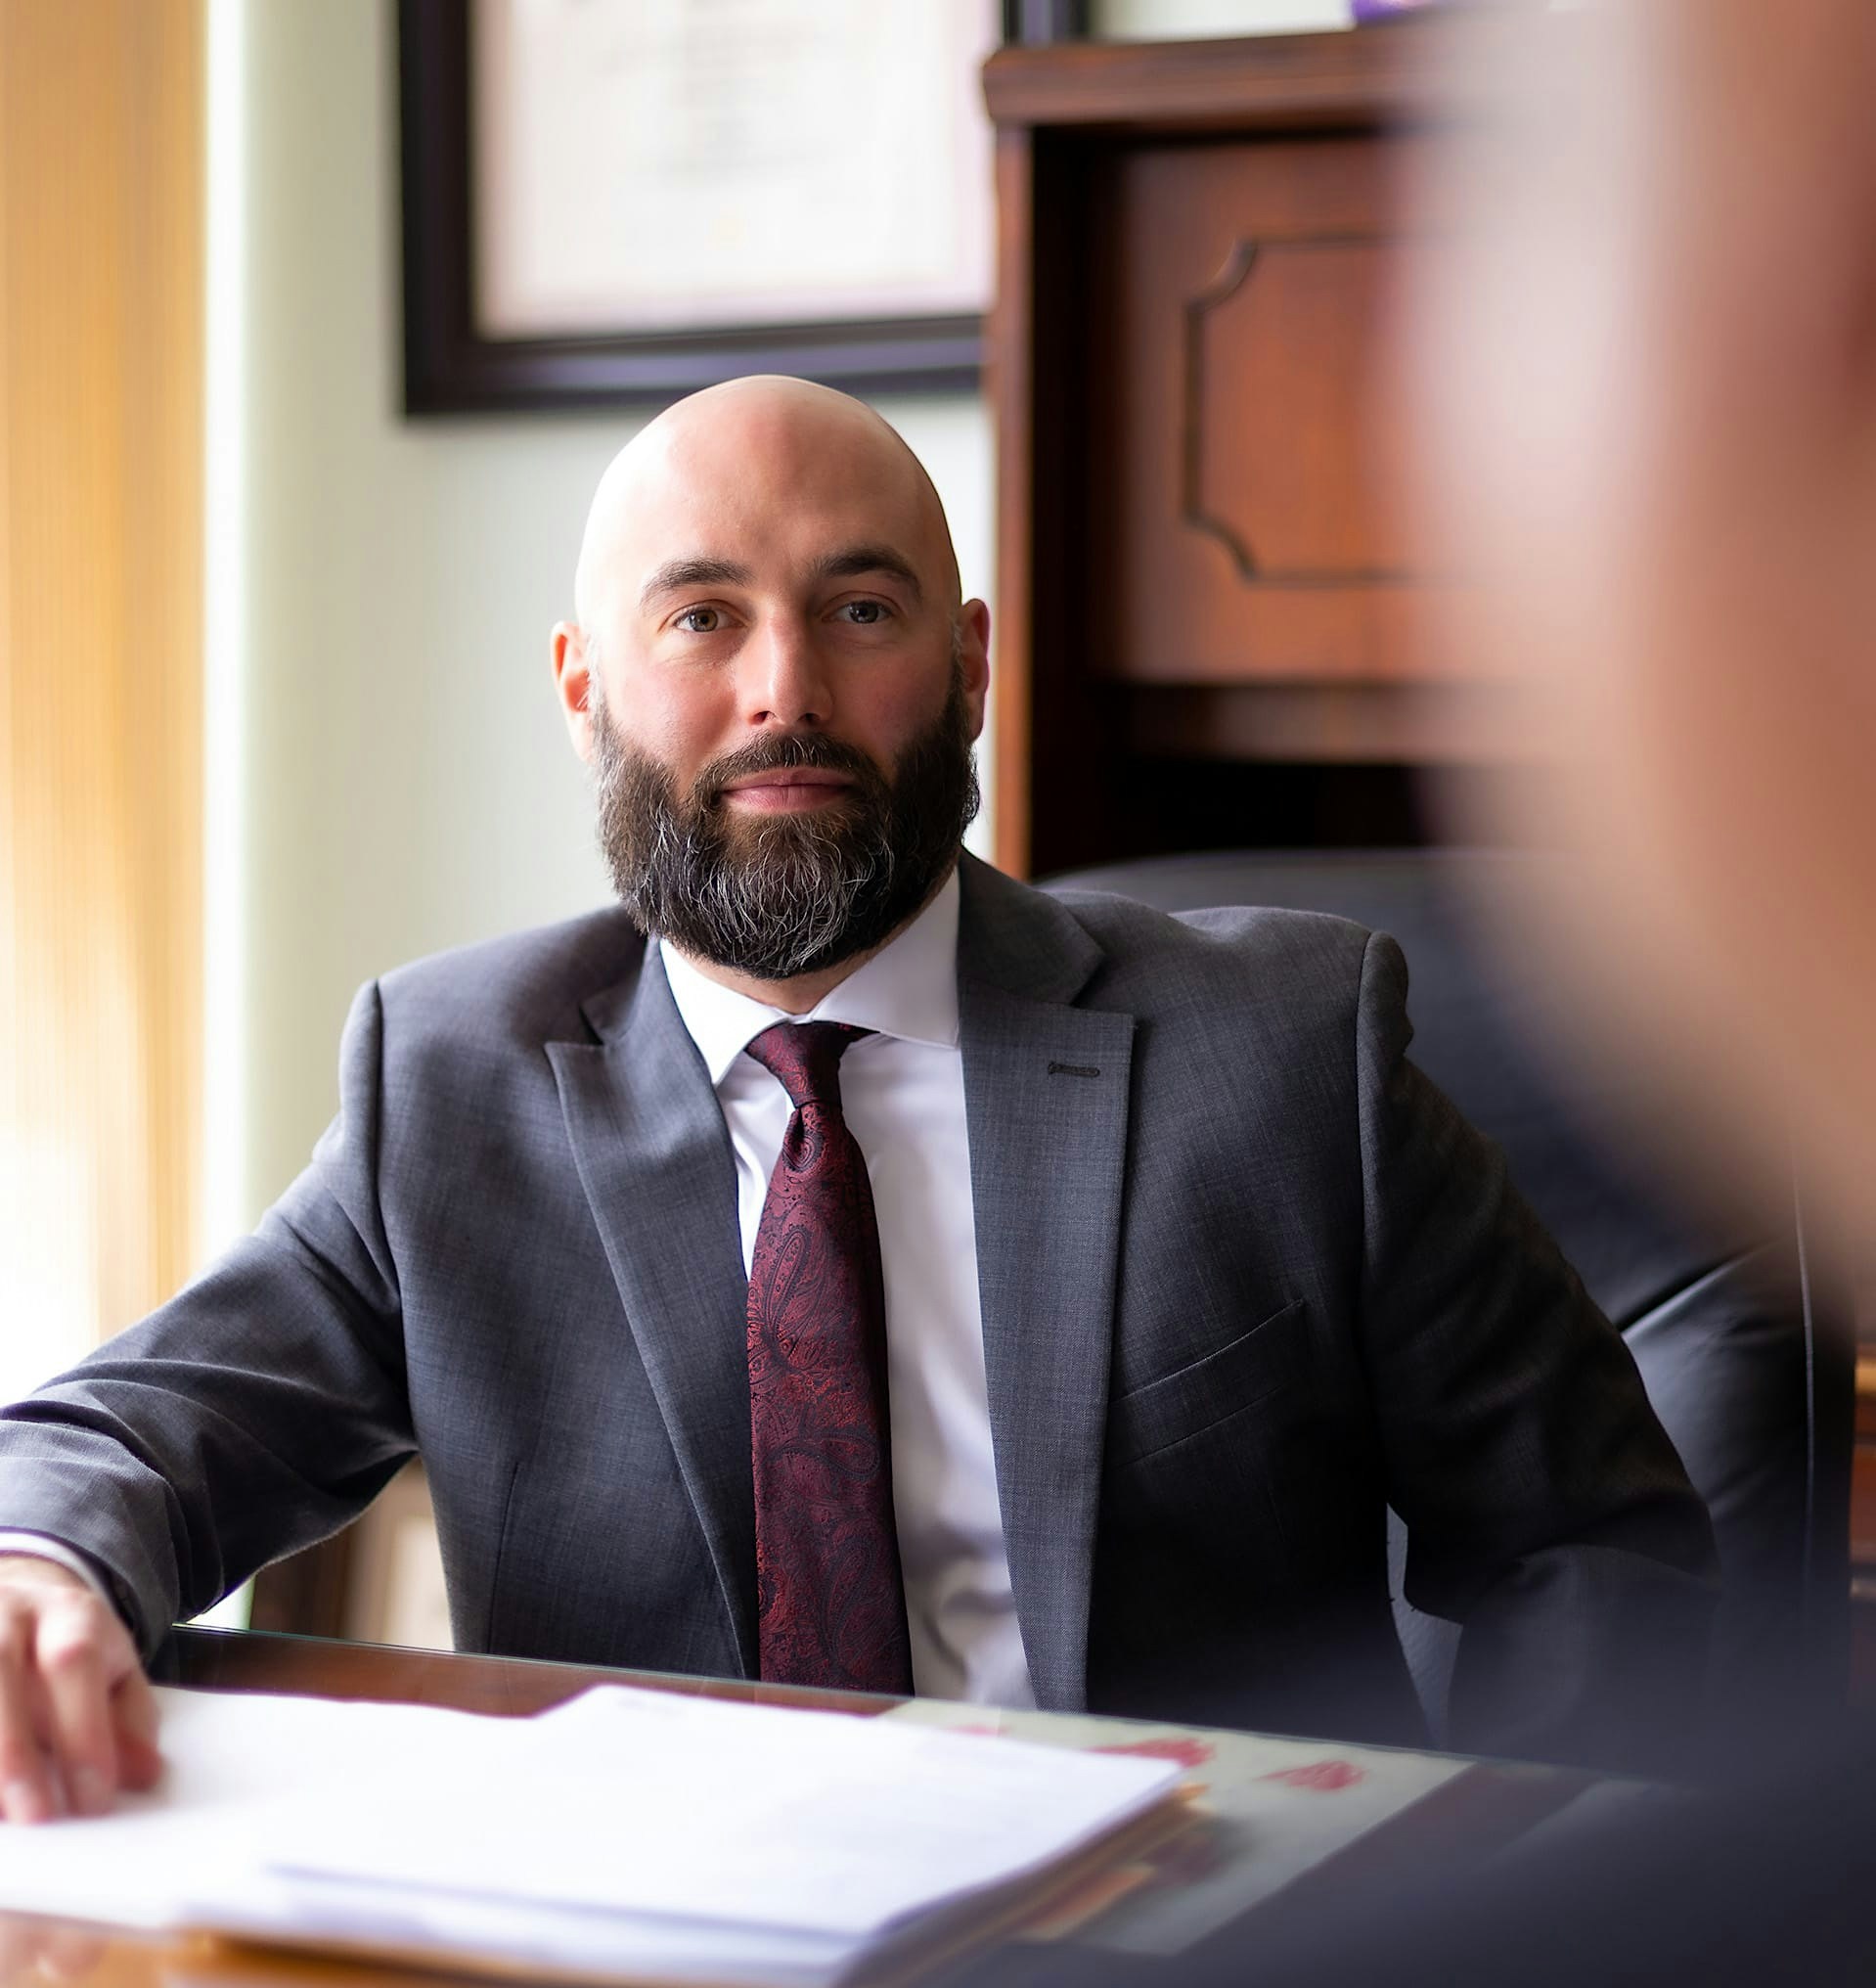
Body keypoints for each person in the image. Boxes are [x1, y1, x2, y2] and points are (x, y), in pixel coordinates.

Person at [0, 375, 1713, 1828]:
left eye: (860, 609)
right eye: (701, 617)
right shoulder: (453, 1084)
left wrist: (1484, 1917)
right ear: (584, 688)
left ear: (968, 666)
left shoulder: (1279, 1048)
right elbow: (138, 1429)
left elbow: (1597, 1552)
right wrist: (41, 1566)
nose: (786, 692)